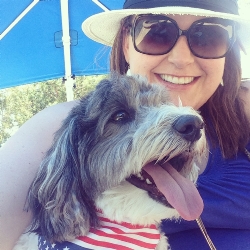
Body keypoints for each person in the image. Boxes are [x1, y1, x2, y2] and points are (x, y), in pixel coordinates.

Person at [1, 0, 250, 249]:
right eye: (157, 33)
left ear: (228, 52)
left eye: (209, 36)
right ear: (126, 45)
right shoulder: (62, 124)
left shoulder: (244, 112)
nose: (181, 59)